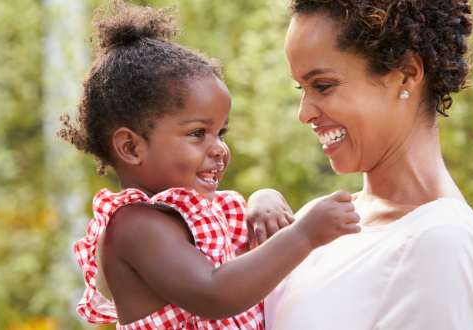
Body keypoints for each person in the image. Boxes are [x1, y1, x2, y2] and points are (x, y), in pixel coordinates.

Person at [57, 2, 360, 329]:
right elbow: (215, 292)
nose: (219, 148)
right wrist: (305, 234)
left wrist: (263, 200)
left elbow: (247, 264)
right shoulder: (135, 226)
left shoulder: (200, 212)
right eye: (198, 133)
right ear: (131, 147)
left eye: (222, 132)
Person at [262, 0, 473, 329]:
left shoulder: (441, 241)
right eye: (302, 88)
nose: (304, 113)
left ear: (406, 74)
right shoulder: (318, 220)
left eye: (323, 86)